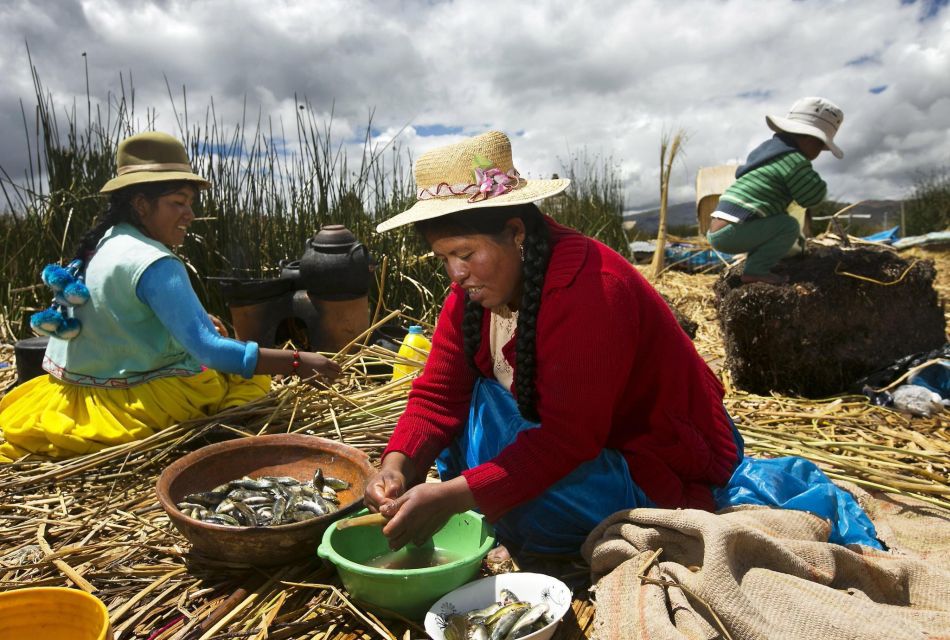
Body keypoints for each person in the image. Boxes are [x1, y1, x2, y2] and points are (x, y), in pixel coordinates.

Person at [363, 131, 742, 559]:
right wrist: (398, 465)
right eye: (443, 258)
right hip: (572, 444)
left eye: (465, 253)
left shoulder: (592, 290)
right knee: (473, 405)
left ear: (516, 232)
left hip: (649, 457)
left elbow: (569, 438)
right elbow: (438, 394)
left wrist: (454, 497)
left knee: (509, 470)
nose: (456, 273)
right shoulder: (470, 295)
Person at [0, 131, 341, 463]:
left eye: (191, 204)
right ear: (141, 204)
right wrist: (297, 362)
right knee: (245, 380)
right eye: (178, 203)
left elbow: (119, 317)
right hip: (131, 404)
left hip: (77, 396)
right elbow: (209, 349)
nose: (189, 215)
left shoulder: (103, 244)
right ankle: (217, 435)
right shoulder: (155, 261)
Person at [707, 96, 845, 285]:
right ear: (809, 139)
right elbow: (811, 195)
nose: (819, 152)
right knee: (788, 226)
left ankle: (758, 264)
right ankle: (755, 271)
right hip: (734, 232)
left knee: (772, 221)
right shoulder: (794, 160)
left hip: (720, 228)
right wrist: (819, 186)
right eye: (821, 146)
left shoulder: (767, 153)